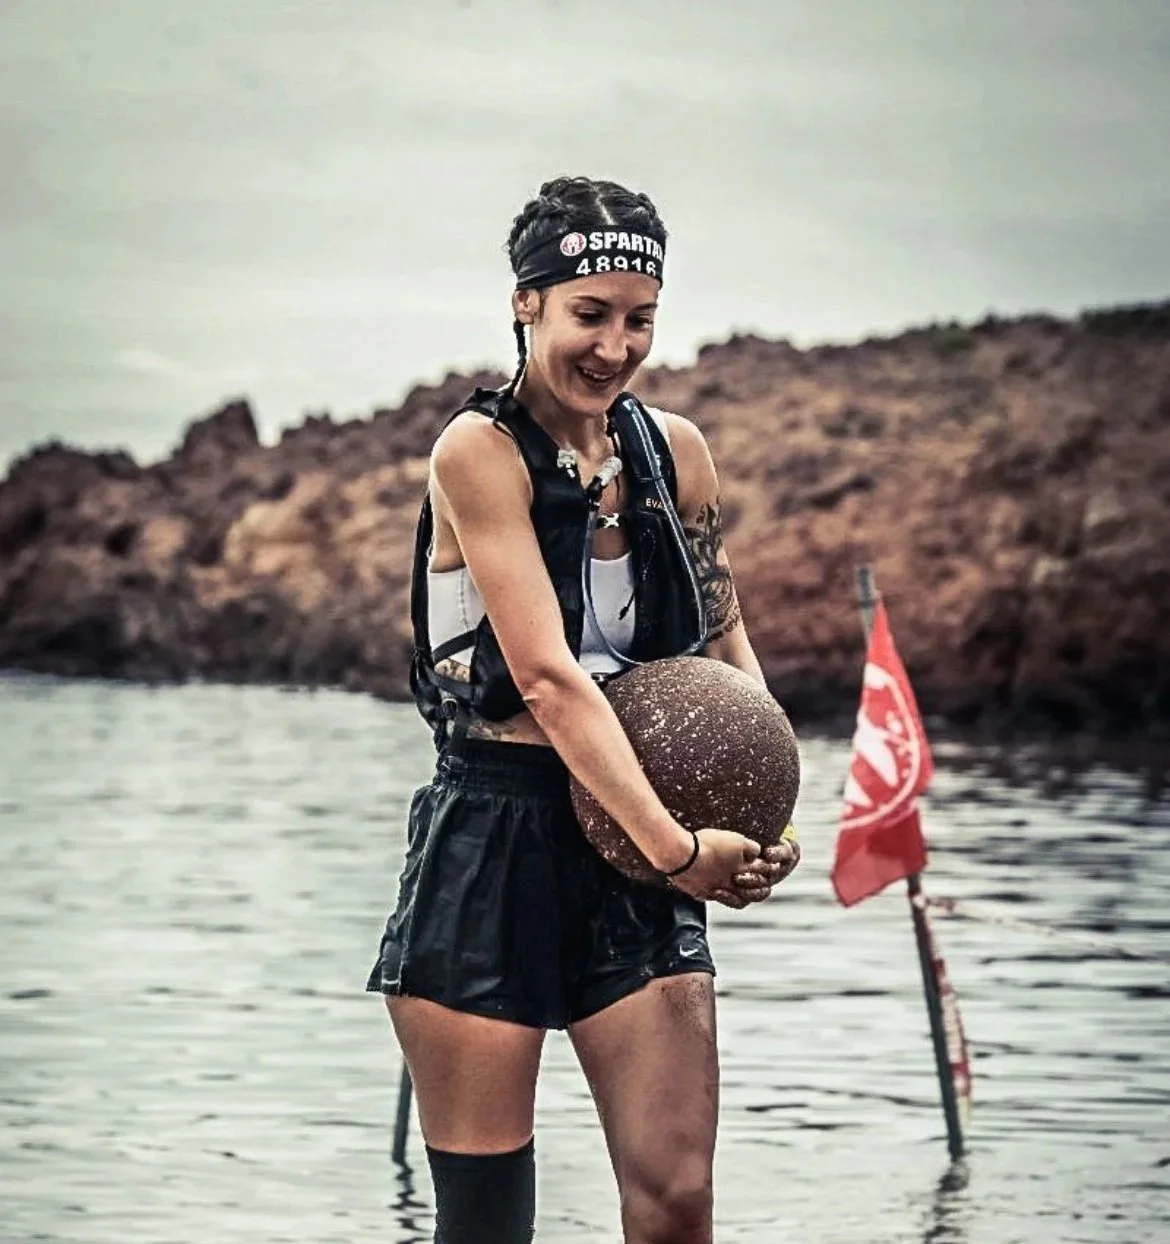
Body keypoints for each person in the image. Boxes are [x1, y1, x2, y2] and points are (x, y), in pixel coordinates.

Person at [367, 175, 800, 1244]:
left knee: (675, 1201)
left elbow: (723, 634)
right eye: (588, 315)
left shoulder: (675, 453)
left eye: (638, 319)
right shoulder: (477, 454)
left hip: (640, 848)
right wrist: (675, 846)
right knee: (486, 1226)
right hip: (494, 836)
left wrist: (774, 804)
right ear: (528, 304)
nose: (614, 346)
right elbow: (553, 680)